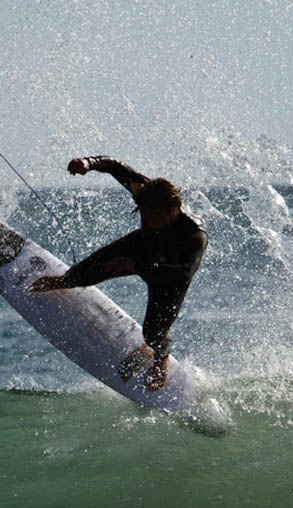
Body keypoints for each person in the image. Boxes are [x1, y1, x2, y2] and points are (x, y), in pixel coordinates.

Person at [27, 156, 207, 391]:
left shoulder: (195, 235)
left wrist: (137, 267)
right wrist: (89, 163)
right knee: (85, 271)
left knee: (153, 332)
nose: (147, 220)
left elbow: (183, 273)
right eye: (143, 214)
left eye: (152, 216)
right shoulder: (147, 191)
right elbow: (114, 166)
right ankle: (65, 280)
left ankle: (161, 360)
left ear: (172, 210)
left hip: (168, 275)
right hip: (142, 247)